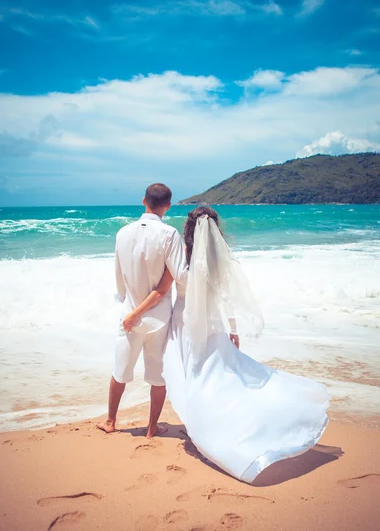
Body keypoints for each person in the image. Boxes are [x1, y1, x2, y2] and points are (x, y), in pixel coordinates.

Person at [122, 206, 330, 483]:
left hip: (184, 323)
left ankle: (204, 425)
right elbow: (227, 297)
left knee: (193, 375)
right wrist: (232, 329)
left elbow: (162, 289)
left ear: (188, 230)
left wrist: (135, 311)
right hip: (212, 323)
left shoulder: (179, 256)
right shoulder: (218, 259)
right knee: (217, 372)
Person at [97, 183, 187, 438]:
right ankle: (150, 429)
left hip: (129, 315)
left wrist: (126, 300)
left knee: (120, 370)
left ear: (143, 200)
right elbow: (180, 275)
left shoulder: (123, 233)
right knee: (157, 376)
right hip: (159, 318)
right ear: (168, 206)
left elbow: (118, 274)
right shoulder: (170, 234)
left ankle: (111, 421)